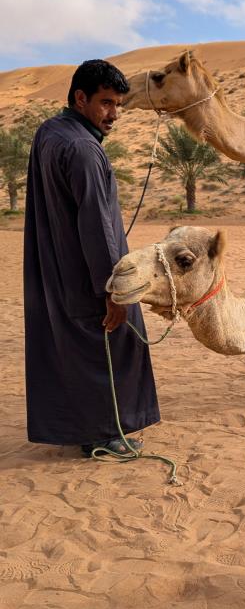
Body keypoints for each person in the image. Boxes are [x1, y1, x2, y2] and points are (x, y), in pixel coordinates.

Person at [24, 59, 160, 457]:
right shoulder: (83, 149)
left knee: (76, 352)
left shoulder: (50, 132)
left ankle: (89, 429)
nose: (113, 115)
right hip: (87, 276)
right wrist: (114, 292)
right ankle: (106, 435)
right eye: (105, 104)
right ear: (80, 98)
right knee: (114, 344)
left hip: (58, 270)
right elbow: (97, 229)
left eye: (118, 105)